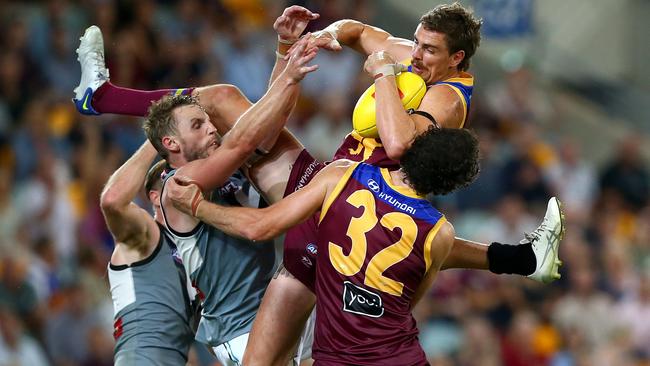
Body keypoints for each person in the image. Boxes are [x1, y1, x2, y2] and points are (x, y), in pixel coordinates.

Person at [72, 4, 563, 362]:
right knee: (223, 99)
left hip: (353, 193)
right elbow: (357, 29)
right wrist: (321, 36)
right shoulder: (407, 54)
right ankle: (103, 97)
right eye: (415, 42)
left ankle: (519, 259)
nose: (417, 55)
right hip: (345, 186)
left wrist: (386, 76)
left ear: (457, 59)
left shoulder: (449, 101)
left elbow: (394, 144)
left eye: (430, 51)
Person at [164, 127, 483, 364]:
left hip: (317, 322)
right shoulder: (438, 233)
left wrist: (196, 206)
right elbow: (403, 306)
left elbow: (261, 226)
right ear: (450, 186)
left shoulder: (346, 174)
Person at [100, 140, 195, 365]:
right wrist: (156, 138)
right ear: (155, 197)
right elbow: (113, 201)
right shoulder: (147, 235)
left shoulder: (193, 251)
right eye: (175, 178)